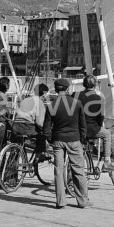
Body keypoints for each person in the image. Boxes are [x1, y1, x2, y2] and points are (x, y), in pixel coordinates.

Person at [43, 78, 90, 209]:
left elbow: (46, 129)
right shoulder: (77, 103)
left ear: (56, 90)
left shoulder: (51, 105)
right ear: (68, 89)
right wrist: (83, 140)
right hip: (74, 140)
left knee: (58, 171)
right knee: (78, 170)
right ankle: (82, 201)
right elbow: (83, 125)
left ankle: (60, 202)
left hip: (58, 140)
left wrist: (51, 139)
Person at [77, 75, 114, 171]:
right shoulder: (99, 98)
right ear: (95, 85)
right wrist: (98, 126)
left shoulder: (75, 95)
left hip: (77, 128)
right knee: (107, 134)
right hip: (91, 128)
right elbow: (100, 117)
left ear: (83, 84)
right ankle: (106, 162)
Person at [11, 83, 49, 160]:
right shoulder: (40, 102)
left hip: (15, 126)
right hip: (27, 127)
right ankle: (38, 156)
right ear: (44, 94)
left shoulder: (26, 99)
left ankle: (13, 166)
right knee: (42, 135)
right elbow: (39, 123)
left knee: (18, 145)